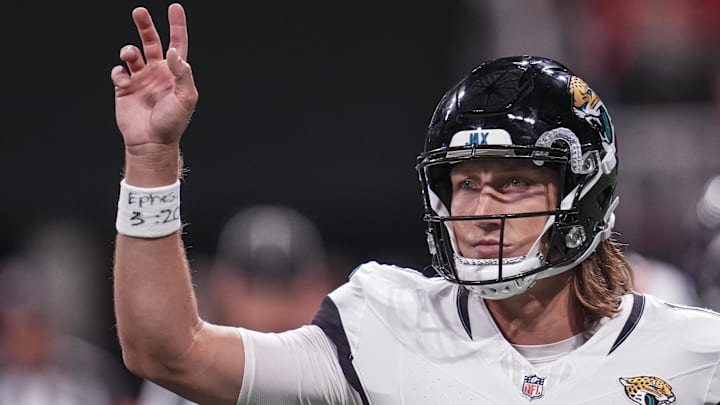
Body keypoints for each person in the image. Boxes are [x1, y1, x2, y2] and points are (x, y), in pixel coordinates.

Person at [111, 4, 720, 404]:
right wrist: (151, 161)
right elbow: (167, 350)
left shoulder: (696, 354)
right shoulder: (384, 325)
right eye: (465, 183)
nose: (481, 209)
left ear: (585, 193)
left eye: (512, 183)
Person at [137, 205, 334, 405]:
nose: (271, 308)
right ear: (221, 287)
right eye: (257, 288)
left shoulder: (342, 373)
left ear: (321, 289)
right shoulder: (180, 379)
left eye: (288, 291)